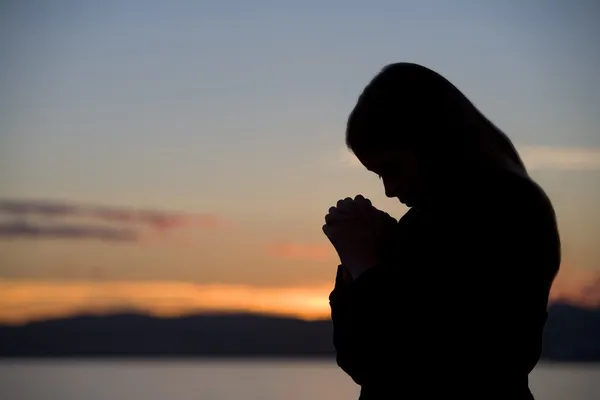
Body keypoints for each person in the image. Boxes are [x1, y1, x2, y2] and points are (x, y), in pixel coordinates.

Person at [322, 63, 561, 399]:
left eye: (393, 168)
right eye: (379, 175)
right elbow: (359, 357)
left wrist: (363, 262)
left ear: (433, 140)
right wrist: (377, 253)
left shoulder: (508, 212)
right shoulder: (429, 220)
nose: (389, 190)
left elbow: (411, 362)